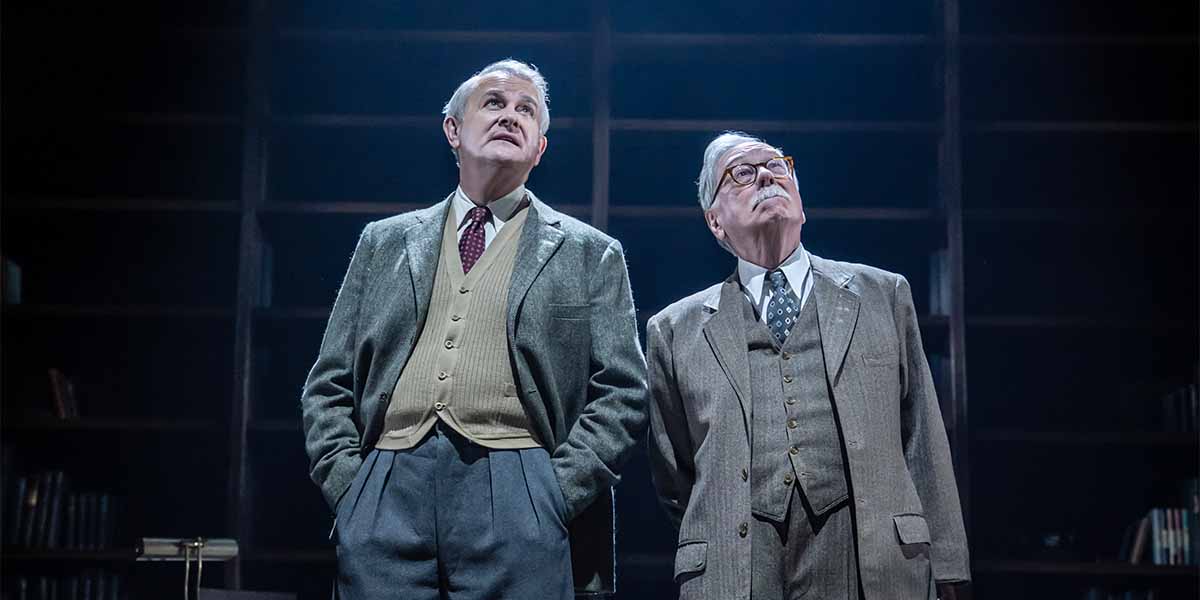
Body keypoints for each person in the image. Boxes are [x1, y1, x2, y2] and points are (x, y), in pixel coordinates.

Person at [301, 59, 647, 599]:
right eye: (494, 103)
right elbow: (329, 382)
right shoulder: (385, 242)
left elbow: (624, 391)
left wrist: (552, 493)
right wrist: (351, 488)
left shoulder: (589, 253)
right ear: (453, 130)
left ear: (540, 148)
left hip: (519, 485)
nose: (511, 115)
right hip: (386, 482)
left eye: (526, 110)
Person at [646, 132, 969, 600]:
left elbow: (923, 440)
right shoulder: (674, 330)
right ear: (715, 221)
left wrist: (950, 568)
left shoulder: (882, 295)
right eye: (742, 172)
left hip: (867, 558)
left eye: (778, 166)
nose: (765, 176)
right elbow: (674, 473)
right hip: (738, 568)